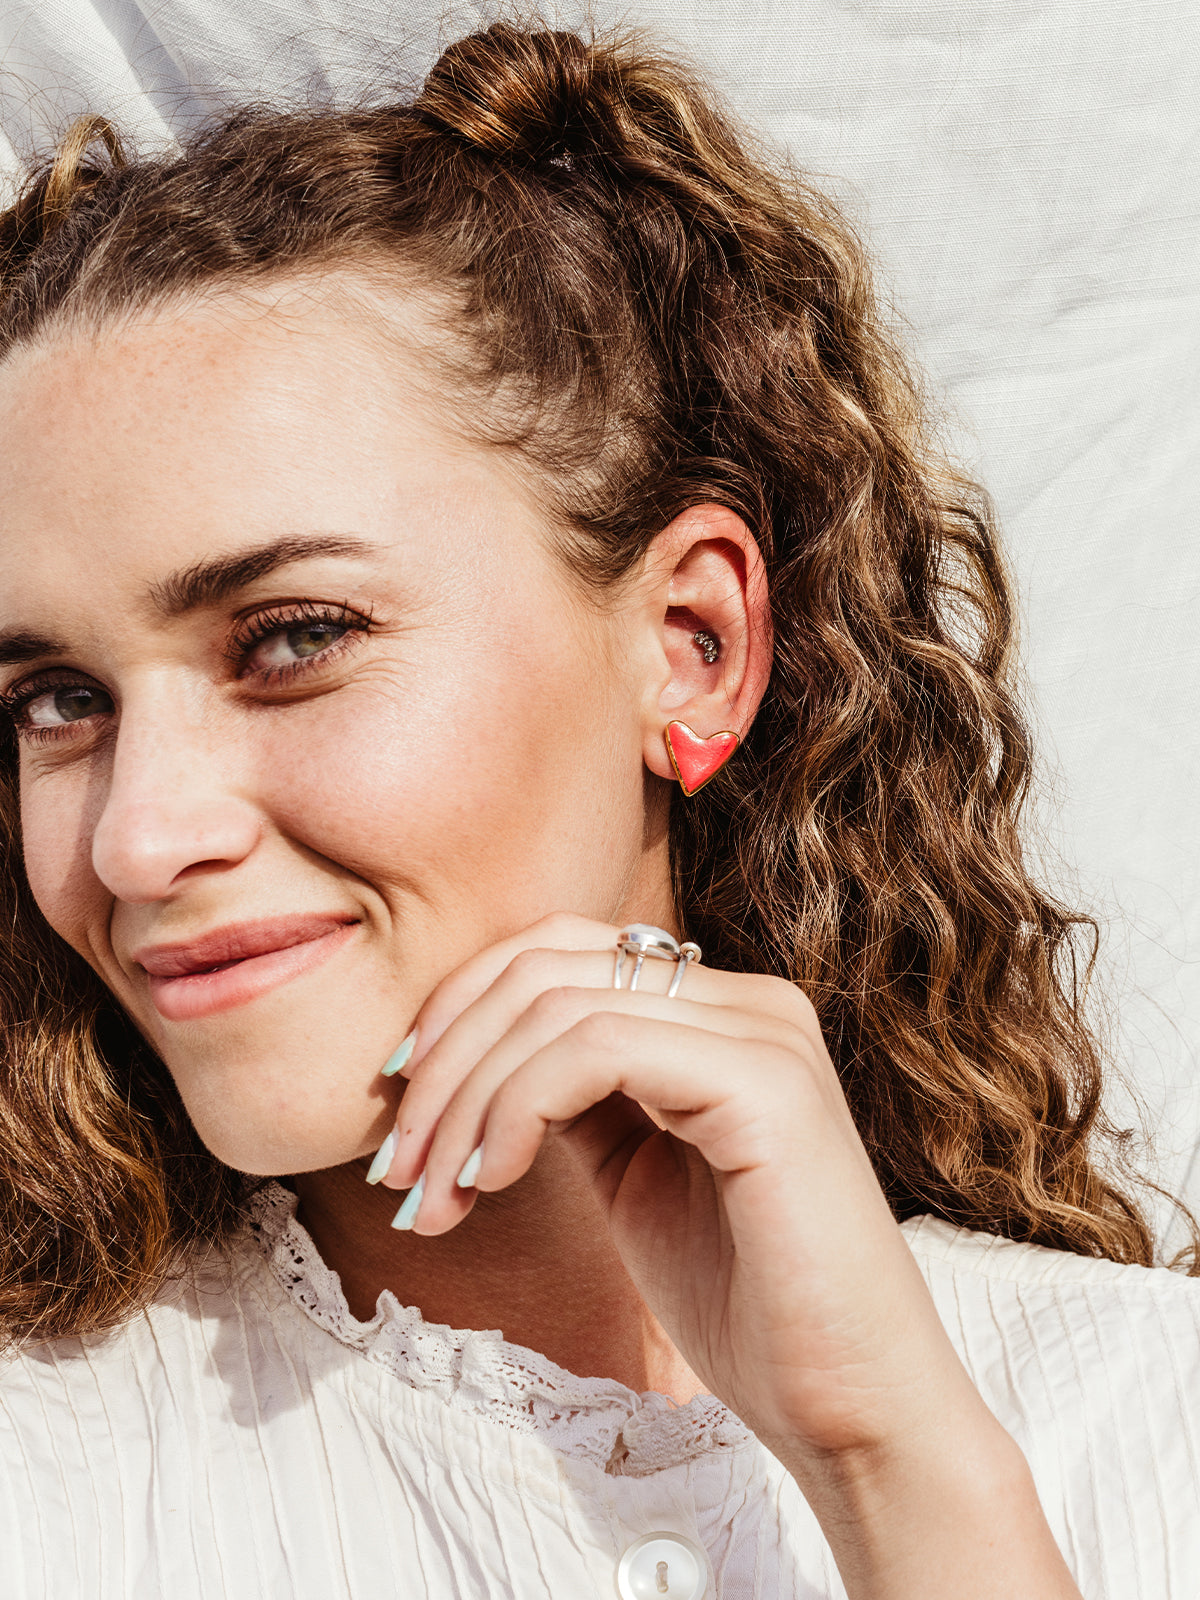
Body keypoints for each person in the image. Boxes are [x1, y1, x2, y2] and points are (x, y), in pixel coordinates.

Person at [0, 18, 1196, 1599]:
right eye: (57, 702)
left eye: (294, 640)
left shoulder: (1153, 1423)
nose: (138, 840)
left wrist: (898, 1469)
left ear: (691, 646)